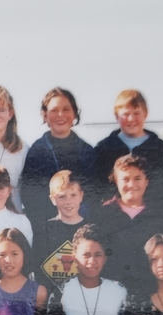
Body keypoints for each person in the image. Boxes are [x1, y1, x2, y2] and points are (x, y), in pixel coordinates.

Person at [94, 155, 163, 294]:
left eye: (137, 179)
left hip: (148, 291)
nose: (131, 185)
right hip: (110, 290)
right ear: (116, 180)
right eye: (125, 179)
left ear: (146, 181)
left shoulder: (160, 215)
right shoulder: (103, 213)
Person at [91, 89, 163, 210]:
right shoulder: (104, 149)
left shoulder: (162, 149)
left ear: (145, 114)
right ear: (116, 116)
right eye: (126, 114)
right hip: (113, 217)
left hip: (152, 217)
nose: (131, 119)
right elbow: (95, 187)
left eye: (136, 113)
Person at [20, 87, 97, 223]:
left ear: (74, 114)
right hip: (50, 229)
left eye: (66, 109)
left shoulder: (87, 151)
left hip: (83, 226)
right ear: (45, 115)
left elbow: (95, 194)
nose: (60, 115)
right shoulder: (36, 152)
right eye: (54, 110)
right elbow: (30, 196)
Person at [59, 224, 126, 315]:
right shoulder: (63, 291)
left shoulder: (118, 291)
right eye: (86, 254)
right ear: (74, 256)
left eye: (98, 255)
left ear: (105, 258)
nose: (92, 261)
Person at [31, 170, 87, 302]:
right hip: (53, 302)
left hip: (84, 300)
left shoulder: (90, 229)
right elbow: (38, 268)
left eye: (73, 195)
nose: (68, 201)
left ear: (81, 196)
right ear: (53, 199)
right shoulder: (44, 230)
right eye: (62, 196)